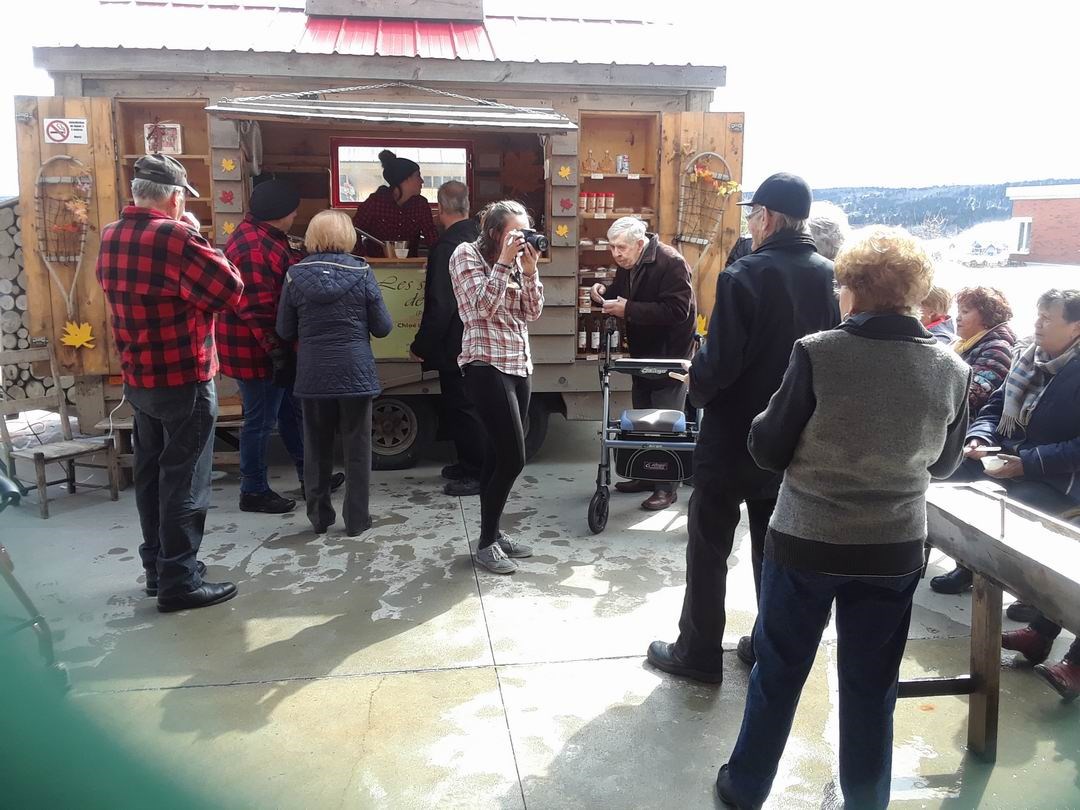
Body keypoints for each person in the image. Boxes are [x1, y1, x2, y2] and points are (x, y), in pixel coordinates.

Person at [714, 227, 970, 810]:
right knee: (872, 683)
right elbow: (946, 463)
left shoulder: (818, 352)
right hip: (893, 547)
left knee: (779, 671)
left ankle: (746, 787)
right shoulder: (950, 369)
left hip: (807, 541)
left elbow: (768, 449)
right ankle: (866, 799)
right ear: (913, 294)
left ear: (852, 289)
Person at [647, 172, 840, 682]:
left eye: (753, 216)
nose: (751, 225)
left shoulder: (744, 275)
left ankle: (698, 652)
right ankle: (767, 646)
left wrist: (695, 378)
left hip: (733, 434)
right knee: (775, 547)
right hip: (791, 434)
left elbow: (721, 363)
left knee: (709, 543)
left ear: (768, 218)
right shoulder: (827, 275)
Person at [96, 154, 243, 612]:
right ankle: (180, 580)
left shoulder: (110, 235)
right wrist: (197, 235)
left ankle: (157, 570)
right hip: (184, 378)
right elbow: (229, 289)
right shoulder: (178, 237)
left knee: (151, 476)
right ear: (176, 198)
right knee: (185, 481)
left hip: (139, 377)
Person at [929, 289, 1080, 700]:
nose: (1038, 323)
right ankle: (977, 570)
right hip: (1015, 462)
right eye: (1038, 314)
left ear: (1075, 327)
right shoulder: (1028, 357)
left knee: (1021, 515)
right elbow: (995, 407)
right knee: (956, 478)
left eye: (1048, 318)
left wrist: (1027, 462)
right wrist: (978, 438)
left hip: (1059, 480)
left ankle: (1062, 644)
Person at [276, 210, 393, 536]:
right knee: (357, 449)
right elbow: (383, 327)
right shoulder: (362, 272)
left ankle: (319, 518)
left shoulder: (294, 275)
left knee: (315, 447)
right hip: (355, 371)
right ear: (348, 236)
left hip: (313, 372)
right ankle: (356, 520)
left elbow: (284, 330)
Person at [450, 201, 544, 574]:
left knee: (495, 454)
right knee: (513, 458)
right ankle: (487, 543)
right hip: (485, 364)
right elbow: (480, 308)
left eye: (525, 232)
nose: (521, 240)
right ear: (493, 233)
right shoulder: (465, 255)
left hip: (519, 364)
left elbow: (531, 313)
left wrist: (530, 271)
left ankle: (493, 534)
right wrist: (504, 263)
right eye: (514, 234)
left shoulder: (518, 263)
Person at [590, 216, 696, 510]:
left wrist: (629, 309)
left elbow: (678, 310)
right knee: (642, 419)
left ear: (639, 244)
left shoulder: (671, 262)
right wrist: (602, 292)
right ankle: (645, 475)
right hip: (642, 354)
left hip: (670, 355)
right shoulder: (630, 262)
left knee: (665, 422)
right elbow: (621, 294)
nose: (616, 253)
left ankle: (666, 487)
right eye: (612, 247)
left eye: (621, 247)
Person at [218, 179, 304, 514]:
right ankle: (252, 490)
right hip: (256, 351)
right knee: (260, 422)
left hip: (265, 347)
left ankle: (311, 476)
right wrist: (278, 354)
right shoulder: (253, 247)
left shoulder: (264, 236)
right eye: (293, 211)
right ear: (280, 213)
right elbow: (257, 309)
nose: (295, 216)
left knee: (289, 413)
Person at [409, 181, 485, 497]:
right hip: (481, 336)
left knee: (464, 408)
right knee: (469, 405)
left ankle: (478, 472)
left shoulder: (446, 246)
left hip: (457, 341)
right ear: (468, 205)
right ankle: (468, 463)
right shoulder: (483, 238)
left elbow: (441, 304)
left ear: (439, 208)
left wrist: (421, 346)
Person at [353, 149, 438, 258]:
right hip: (376, 264)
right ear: (405, 179)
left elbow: (431, 235)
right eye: (418, 176)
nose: (422, 181)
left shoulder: (421, 205)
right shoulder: (375, 202)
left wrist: (438, 258)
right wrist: (362, 257)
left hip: (410, 265)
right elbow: (353, 231)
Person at [951, 286, 1017, 412]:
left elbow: (973, 396)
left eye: (965, 312)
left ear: (987, 317)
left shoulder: (998, 350)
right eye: (958, 311)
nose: (958, 317)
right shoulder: (959, 344)